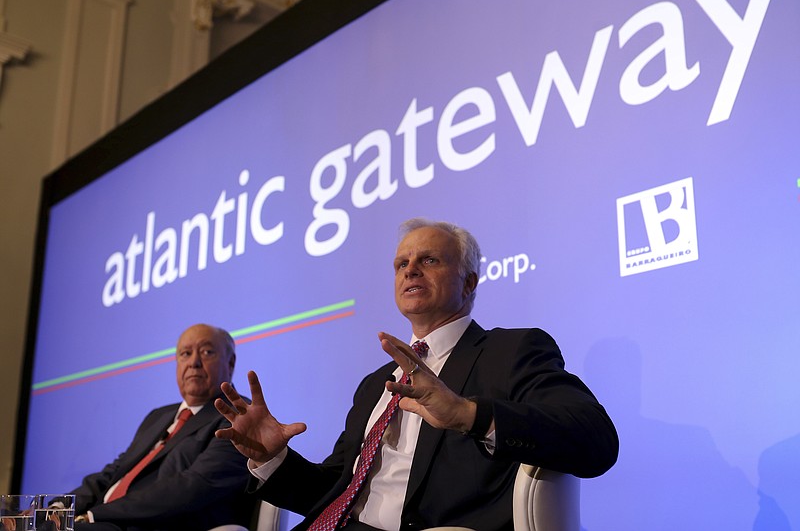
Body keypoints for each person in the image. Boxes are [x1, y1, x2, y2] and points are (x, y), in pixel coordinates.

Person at [215, 219, 619, 530]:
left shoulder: (510, 351)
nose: (410, 270)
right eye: (401, 264)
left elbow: (596, 439)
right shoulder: (376, 383)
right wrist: (273, 458)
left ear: (469, 282)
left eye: (429, 260)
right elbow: (334, 495)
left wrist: (468, 415)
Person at [70, 324, 255, 531]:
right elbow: (113, 473)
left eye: (207, 352)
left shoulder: (237, 416)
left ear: (230, 363)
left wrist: (93, 516)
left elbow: (193, 487)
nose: (194, 362)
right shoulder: (158, 416)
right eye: (185, 353)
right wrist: (62, 507)